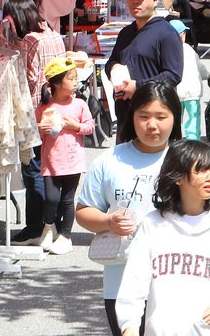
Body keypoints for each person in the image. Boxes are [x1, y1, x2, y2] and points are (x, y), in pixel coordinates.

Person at [115, 140, 210, 336]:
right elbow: (134, 281)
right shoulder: (153, 224)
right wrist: (129, 326)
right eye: (201, 170)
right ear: (177, 177)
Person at [77, 81, 183, 336]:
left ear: (175, 118)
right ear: (132, 116)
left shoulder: (186, 160)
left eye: (161, 117)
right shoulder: (109, 160)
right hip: (121, 280)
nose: (152, 125)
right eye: (144, 116)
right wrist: (108, 222)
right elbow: (83, 211)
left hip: (177, 280)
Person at [2, 0, 65, 244]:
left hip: (35, 113)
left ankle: (36, 226)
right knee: (51, 169)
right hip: (57, 110)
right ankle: (53, 223)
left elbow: (28, 80)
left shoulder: (30, 40)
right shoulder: (53, 34)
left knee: (33, 171)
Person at [105, 0, 184, 128]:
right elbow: (111, 62)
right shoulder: (125, 33)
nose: (136, 1)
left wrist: (138, 86)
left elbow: (173, 75)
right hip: (125, 116)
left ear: (155, 0)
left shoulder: (166, 33)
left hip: (153, 119)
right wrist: (113, 68)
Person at [35, 54, 95, 254]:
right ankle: (48, 227)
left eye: (75, 78)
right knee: (51, 198)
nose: (75, 82)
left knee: (68, 200)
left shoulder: (79, 104)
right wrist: (40, 129)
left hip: (73, 161)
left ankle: (66, 236)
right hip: (51, 161)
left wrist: (75, 126)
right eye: (71, 78)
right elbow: (35, 133)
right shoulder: (45, 107)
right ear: (57, 83)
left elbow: (90, 127)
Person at [171, 21, 209, 141]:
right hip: (192, 92)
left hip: (177, 92)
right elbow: (200, 68)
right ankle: (193, 139)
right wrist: (208, 76)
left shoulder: (169, 51)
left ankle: (176, 137)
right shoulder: (189, 50)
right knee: (193, 117)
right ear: (182, 35)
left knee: (176, 116)